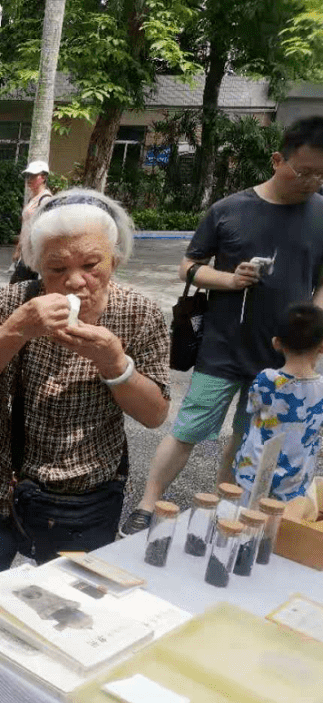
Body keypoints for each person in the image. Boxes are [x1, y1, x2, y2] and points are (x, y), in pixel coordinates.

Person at [0, 189, 171, 603]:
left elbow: (155, 414)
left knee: (74, 612)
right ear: (37, 267)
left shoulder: (139, 313)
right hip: (1, 485)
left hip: (88, 495)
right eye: (56, 268)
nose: (75, 281)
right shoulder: (15, 303)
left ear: (114, 257)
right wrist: (17, 330)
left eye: (91, 264)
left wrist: (116, 364)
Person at [121, 116, 323, 536]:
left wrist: (314, 328)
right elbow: (188, 268)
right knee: (189, 429)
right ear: (277, 160)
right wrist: (230, 280)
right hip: (222, 348)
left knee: (249, 438)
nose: (312, 183)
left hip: (282, 355)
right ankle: (147, 502)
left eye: (322, 175)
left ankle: (226, 513)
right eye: (304, 172)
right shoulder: (230, 210)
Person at [233, 303, 323, 502]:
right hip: (295, 475)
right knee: (281, 526)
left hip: (255, 469)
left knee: (247, 521)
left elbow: (253, 406)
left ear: (276, 342)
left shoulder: (267, 379)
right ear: (322, 347)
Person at [9, 160, 54, 284]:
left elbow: (46, 228)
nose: (29, 179)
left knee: (18, 287)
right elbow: (26, 226)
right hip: (25, 252)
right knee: (23, 287)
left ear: (43, 177)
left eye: (34, 176)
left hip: (34, 252)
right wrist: (18, 249)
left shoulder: (45, 200)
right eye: (28, 175)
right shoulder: (32, 198)